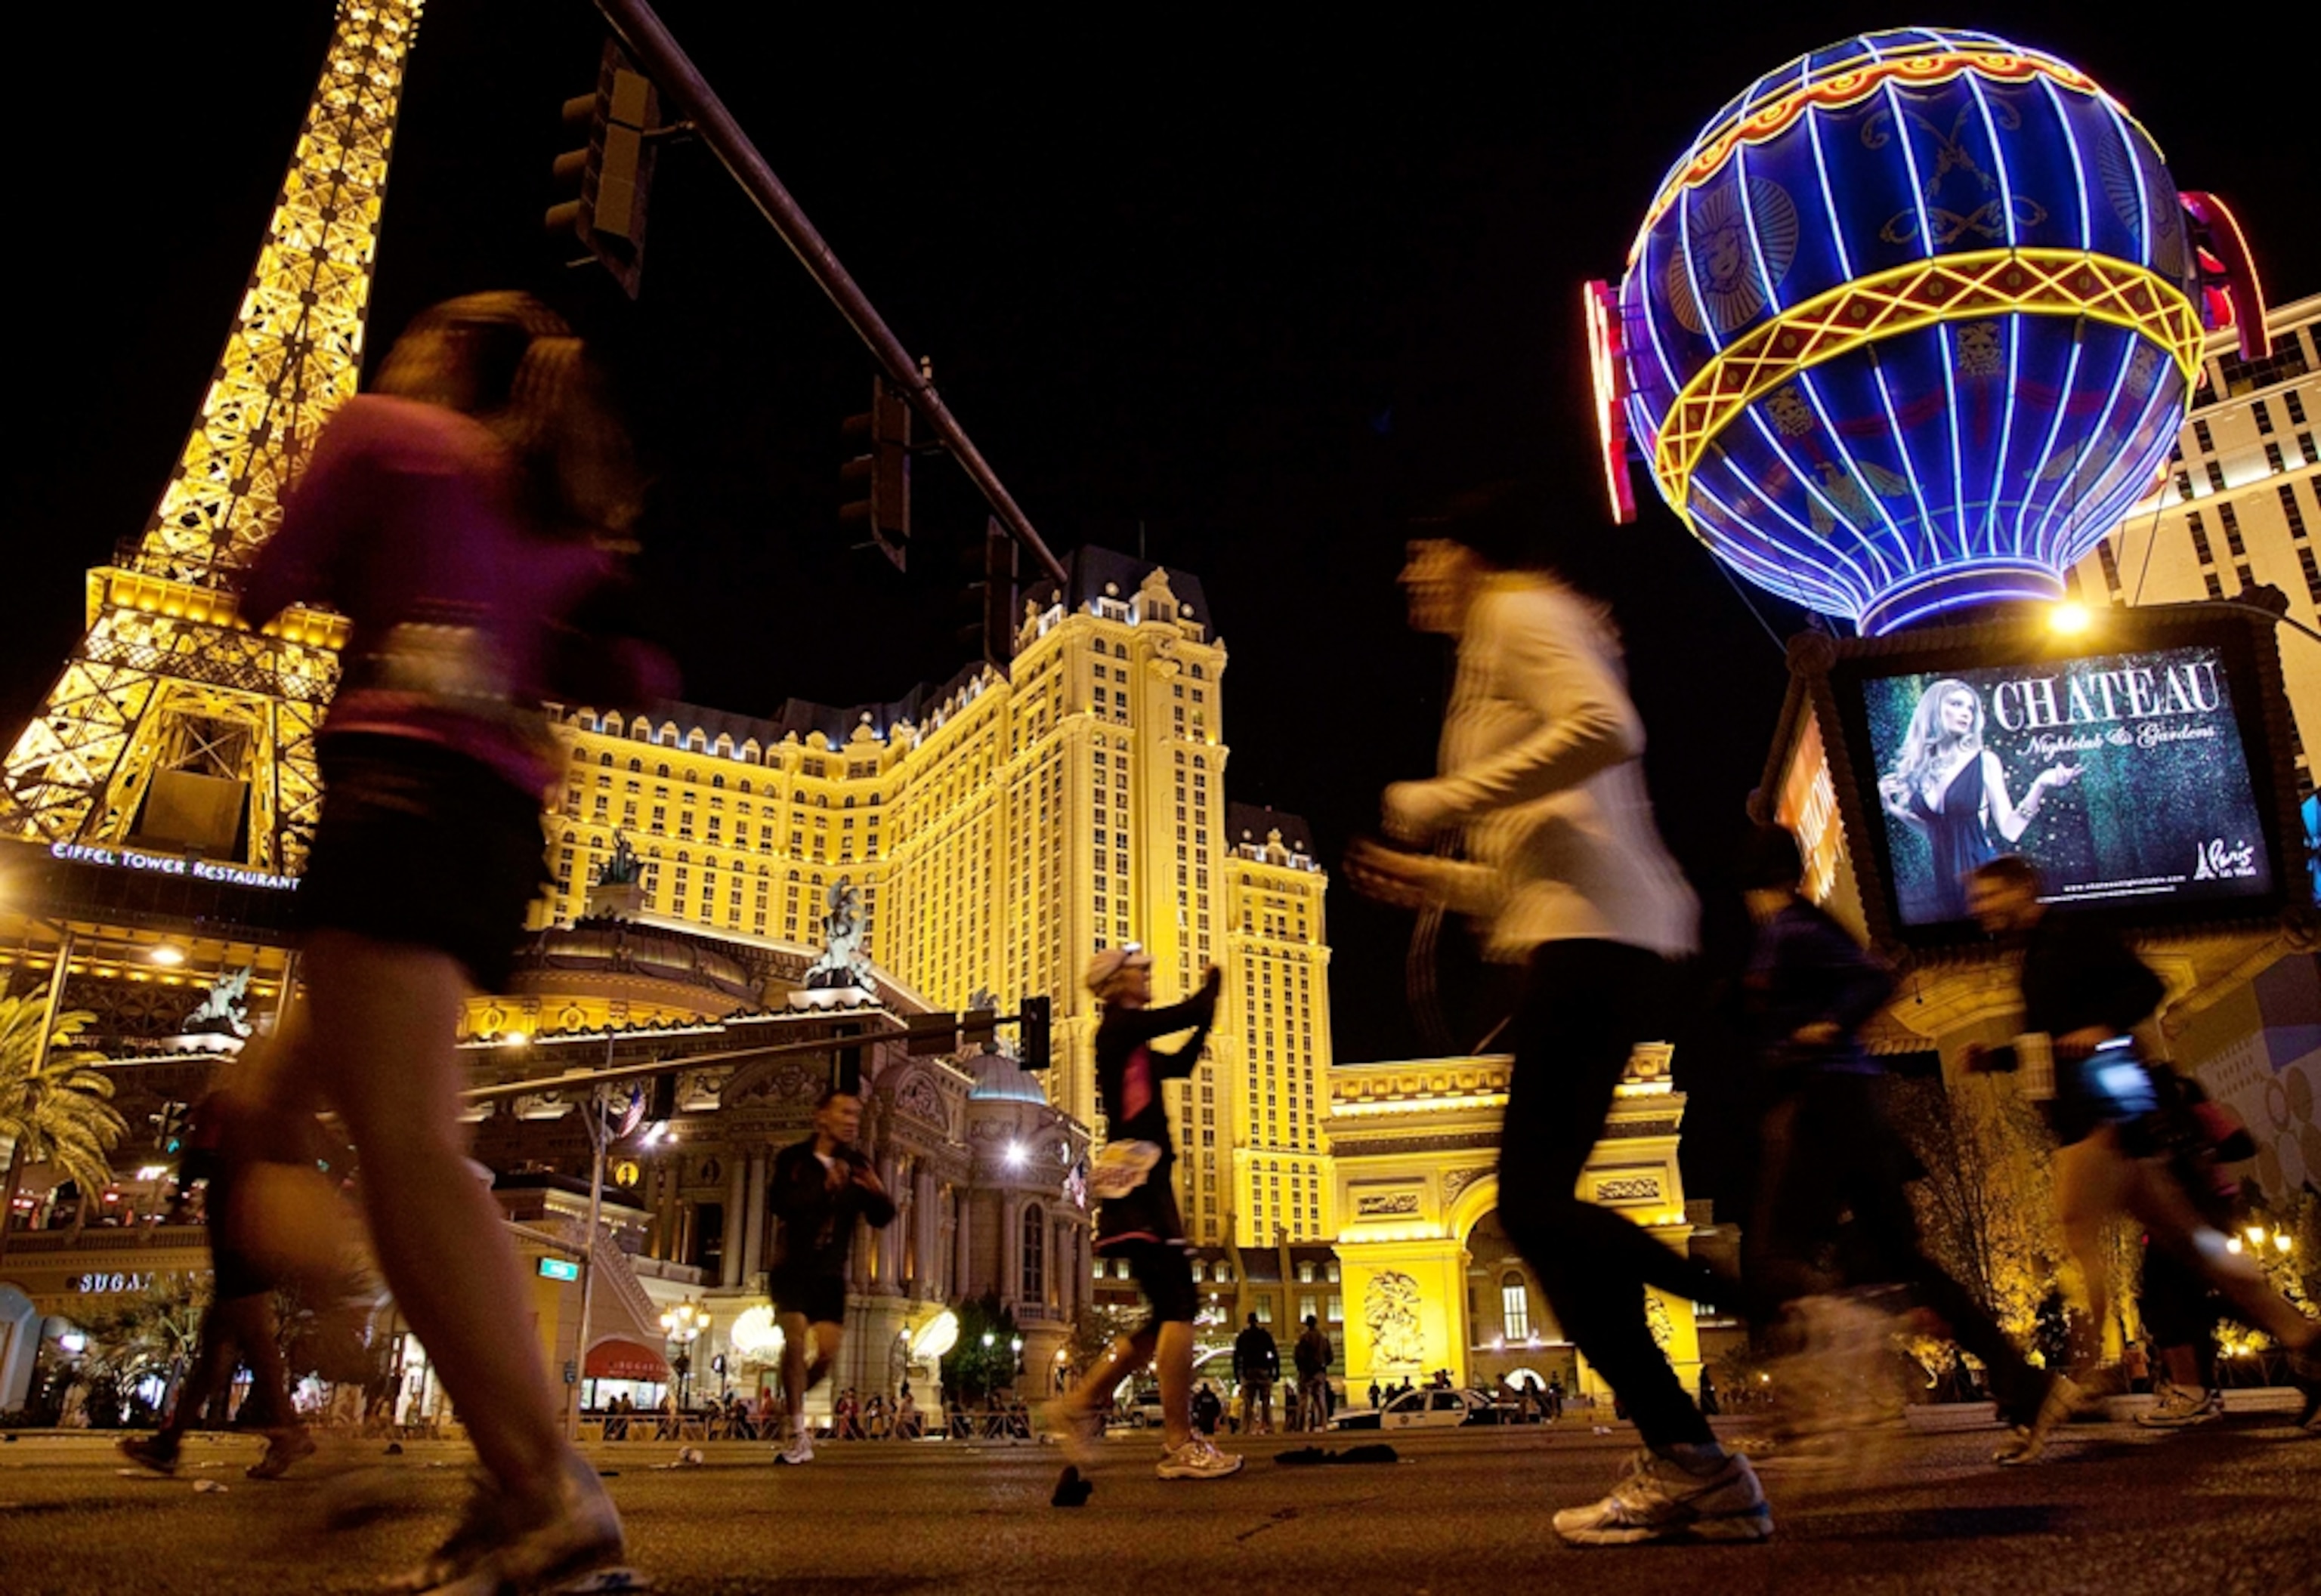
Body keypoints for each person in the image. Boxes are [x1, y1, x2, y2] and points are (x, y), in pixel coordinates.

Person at [234, 292, 660, 1595]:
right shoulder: (541, 504)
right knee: (252, 1106)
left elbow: (262, 582)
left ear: (440, 358)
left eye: (415, 336)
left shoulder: (380, 429)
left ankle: (537, 1488)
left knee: (412, 1147)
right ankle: (489, 1472)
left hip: (395, 801)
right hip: (491, 837)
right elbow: (633, 670)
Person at [1346, 482, 1767, 1545]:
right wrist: (1429, 878)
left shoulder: (1518, 614)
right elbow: (1536, 858)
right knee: (1551, 1222)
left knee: (1535, 1209)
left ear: (1470, 552)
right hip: (1585, 936)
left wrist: (1447, 800)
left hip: (1598, 944)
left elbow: (1606, 727)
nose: (1410, 572)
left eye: (1421, 548)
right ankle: (1695, 1453)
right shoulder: (1495, 651)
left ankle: (1758, 1321)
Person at [1735, 823, 2070, 1464]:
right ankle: (2025, 1385)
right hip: (1851, 1105)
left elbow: (1869, 979)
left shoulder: (1792, 929)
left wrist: (1823, 1029)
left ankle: (1811, 1404)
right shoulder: (1800, 924)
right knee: (1906, 1260)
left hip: (1824, 1104)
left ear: (1755, 884)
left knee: (1774, 1252)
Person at [1963, 855, 2319, 1446]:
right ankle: (2306, 1339)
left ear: (2024, 887)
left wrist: (2104, 1027)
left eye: (1988, 894)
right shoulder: (2031, 952)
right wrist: (1996, 1059)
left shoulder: (2072, 931)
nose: (1979, 907)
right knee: (2198, 1245)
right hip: (2103, 1117)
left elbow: (2147, 986)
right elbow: (2046, 1044)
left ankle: (2081, 1380)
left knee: (2079, 1234)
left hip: (2102, 1118)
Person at [1043, 946, 1241, 1480]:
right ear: (1114, 984)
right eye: (1140, 967)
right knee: (1179, 1306)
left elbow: (1178, 1060)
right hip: (1138, 1187)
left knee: (1164, 1317)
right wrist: (1209, 994)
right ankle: (1178, 1442)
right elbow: (1180, 1017)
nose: (1150, 972)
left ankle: (1080, 1400)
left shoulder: (1129, 1042)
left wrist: (1207, 1011)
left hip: (1144, 1184)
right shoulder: (1119, 1028)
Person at [117, 1088, 313, 1481]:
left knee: (252, 1334)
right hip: (263, 1221)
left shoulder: (228, 1099)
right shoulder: (272, 1106)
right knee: (217, 1343)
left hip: (237, 1226)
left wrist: (181, 1195)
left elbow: (202, 1152)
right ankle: (169, 1442)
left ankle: (286, 1429)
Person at [766, 1088, 895, 1465]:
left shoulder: (857, 1165)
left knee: (824, 1357)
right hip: (793, 1267)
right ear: (821, 1117)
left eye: (856, 1114)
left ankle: (788, 1403)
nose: (852, 1121)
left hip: (830, 1273)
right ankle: (798, 1433)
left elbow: (881, 1219)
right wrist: (824, 1189)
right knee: (794, 1340)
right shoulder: (794, 1160)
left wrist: (880, 1194)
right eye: (844, 1113)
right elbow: (779, 1203)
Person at [1877, 679, 2078, 921]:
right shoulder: (1919, 768)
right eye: (1956, 704)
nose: (1966, 714)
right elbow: (1935, 831)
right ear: (1933, 709)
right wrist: (1893, 809)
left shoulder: (1984, 761)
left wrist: (2040, 784)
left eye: (1971, 708)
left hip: (1982, 875)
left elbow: (2010, 830)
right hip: (1945, 881)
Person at [1232, 1311, 1279, 1434]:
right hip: (1263, 1370)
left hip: (1249, 1372)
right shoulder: (1264, 1335)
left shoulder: (1243, 1336)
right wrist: (1275, 1371)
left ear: (1248, 1321)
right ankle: (1268, 1426)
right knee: (1265, 1402)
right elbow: (1274, 1353)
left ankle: (1246, 1428)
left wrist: (1237, 1374)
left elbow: (1237, 1357)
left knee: (1248, 1402)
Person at [1293, 1316, 1333, 1432]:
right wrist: (1323, 1365)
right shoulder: (1323, 1338)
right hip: (1319, 1372)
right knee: (1320, 1399)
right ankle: (1322, 1424)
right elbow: (1330, 1357)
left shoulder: (1303, 1338)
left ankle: (1301, 1425)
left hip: (1306, 1373)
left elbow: (1298, 1356)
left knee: (1303, 1399)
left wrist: (1301, 1368)